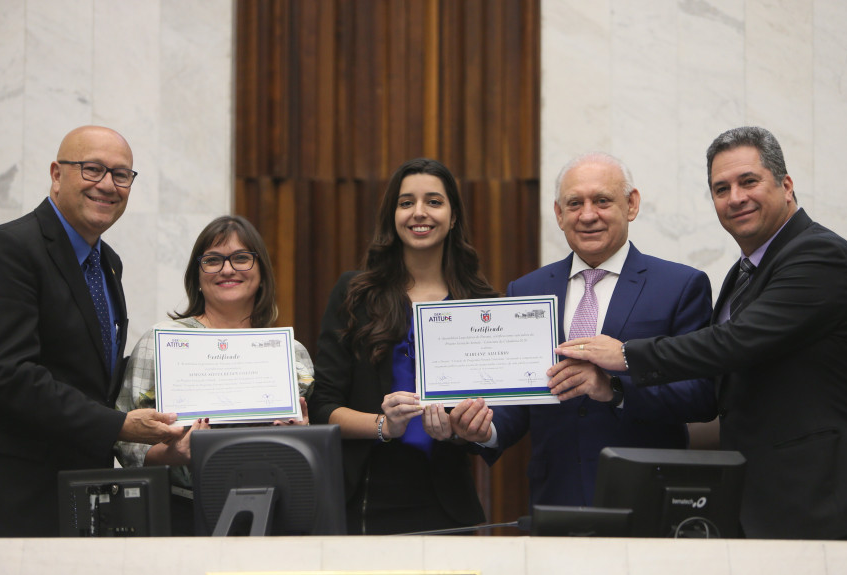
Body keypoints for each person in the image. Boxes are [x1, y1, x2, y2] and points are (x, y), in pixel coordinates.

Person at [557, 127, 847, 540]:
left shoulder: (819, 255)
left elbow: (736, 343)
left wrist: (626, 356)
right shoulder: (746, 270)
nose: (735, 198)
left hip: (814, 496)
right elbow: (717, 383)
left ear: (786, 186)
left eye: (748, 181)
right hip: (756, 495)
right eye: (721, 188)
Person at [450, 152, 717, 509]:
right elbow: (523, 397)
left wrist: (614, 388)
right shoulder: (526, 291)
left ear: (631, 204)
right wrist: (486, 429)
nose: (588, 215)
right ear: (559, 214)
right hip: (556, 496)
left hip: (648, 495)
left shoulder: (681, 286)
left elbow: (700, 395)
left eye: (602, 201)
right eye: (574, 203)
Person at [0, 126, 183, 537]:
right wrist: (120, 426)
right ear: (57, 174)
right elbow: (9, 375)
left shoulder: (108, 262)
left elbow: (93, 373)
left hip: (86, 492)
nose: (108, 185)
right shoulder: (9, 249)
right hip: (19, 495)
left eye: (122, 175)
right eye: (93, 169)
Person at [308, 157, 499, 535]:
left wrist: (461, 428)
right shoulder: (354, 294)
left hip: (448, 505)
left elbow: (497, 416)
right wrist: (385, 426)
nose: (419, 213)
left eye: (434, 201)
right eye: (406, 202)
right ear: (392, 215)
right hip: (362, 502)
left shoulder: (481, 305)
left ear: (454, 215)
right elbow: (322, 405)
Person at [116, 215, 314, 533]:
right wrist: (171, 453)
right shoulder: (160, 343)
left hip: (271, 511)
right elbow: (124, 438)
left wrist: (301, 435)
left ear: (262, 273)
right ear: (197, 276)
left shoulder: (292, 354)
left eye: (241, 258)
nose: (226, 269)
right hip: (178, 511)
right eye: (212, 260)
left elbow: (305, 456)